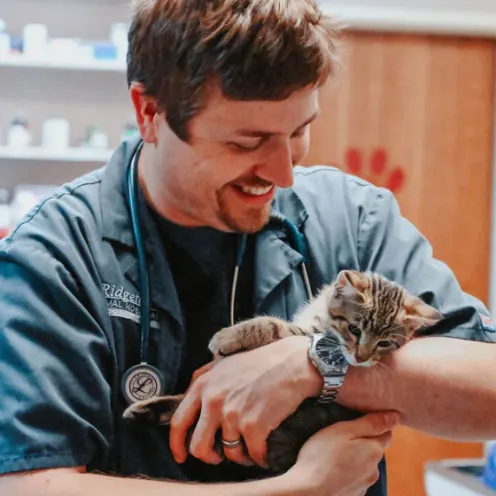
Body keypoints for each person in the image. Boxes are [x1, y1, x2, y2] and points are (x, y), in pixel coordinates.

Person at [1, 0, 495, 495]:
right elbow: (28, 484)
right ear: (149, 113)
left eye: (300, 131)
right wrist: (301, 490)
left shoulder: (352, 219)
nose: (284, 174)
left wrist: (314, 364)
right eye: (247, 142)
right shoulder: (57, 256)